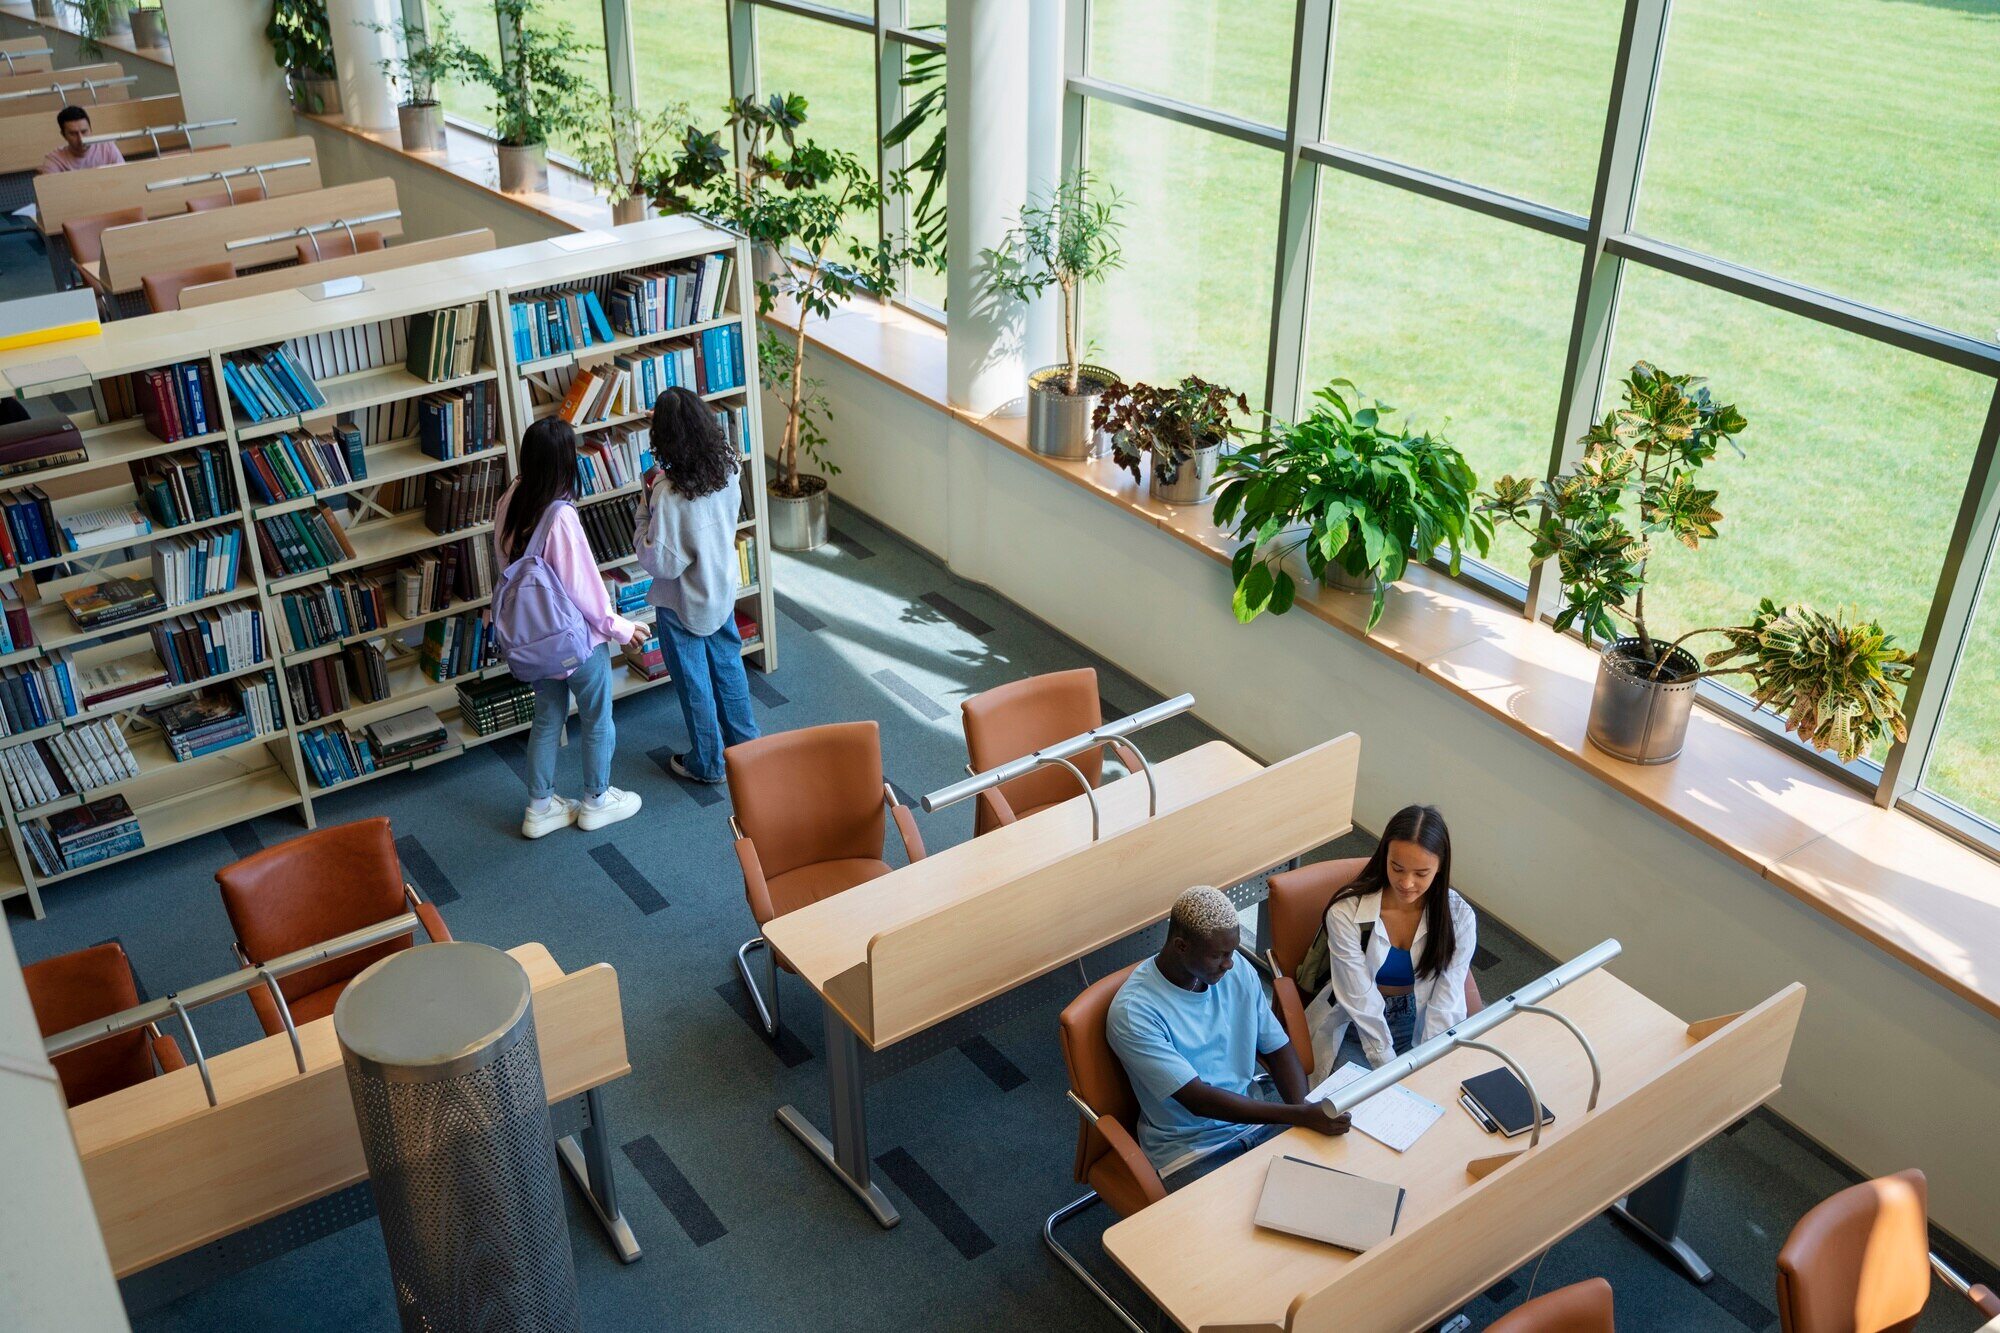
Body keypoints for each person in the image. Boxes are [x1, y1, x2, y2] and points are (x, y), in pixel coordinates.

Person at [1107, 885, 1350, 1177]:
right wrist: (1299, 1116)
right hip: (1192, 1151)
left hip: (1252, 1125)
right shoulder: (1134, 1012)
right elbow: (1198, 1100)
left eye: (1232, 951)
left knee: (1331, 1183)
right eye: (1219, 955)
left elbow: (1276, 1050)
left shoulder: (1235, 971)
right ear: (1181, 946)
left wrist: (1304, 1112)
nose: (1230, 963)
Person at [494, 417, 646, 837]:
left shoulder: (509, 499)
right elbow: (585, 590)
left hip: (532, 642)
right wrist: (621, 628)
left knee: (547, 718)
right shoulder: (560, 516)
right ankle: (597, 800)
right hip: (573, 642)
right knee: (597, 716)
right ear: (565, 463)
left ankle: (539, 808)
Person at [632, 386, 759, 783]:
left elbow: (661, 562)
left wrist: (643, 507)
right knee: (728, 666)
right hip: (720, 587)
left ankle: (708, 762)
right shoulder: (728, 467)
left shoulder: (667, 494)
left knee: (694, 683)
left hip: (681, 601)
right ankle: (750, 752)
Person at [1299, 805, 1478, 1083]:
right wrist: (1390, 1070)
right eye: (1397, 868)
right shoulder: (1346, 912)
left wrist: (1429, 1064)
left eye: (1421, 873)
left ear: (1440, 867)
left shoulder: (1459, 917)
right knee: (1362, 1104)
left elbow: (1446, 1003)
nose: (1406, 883)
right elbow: (1361, 1002)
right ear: (1384, 856)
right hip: (1356, 1026)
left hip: (1420, 1019)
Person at [39, 106, 125, 175]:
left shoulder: (107, 148)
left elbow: (125, 177)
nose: (81, 139)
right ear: (63, 135)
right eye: (73, 134)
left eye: (84, 132)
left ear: (91, 130)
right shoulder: (54, 160)